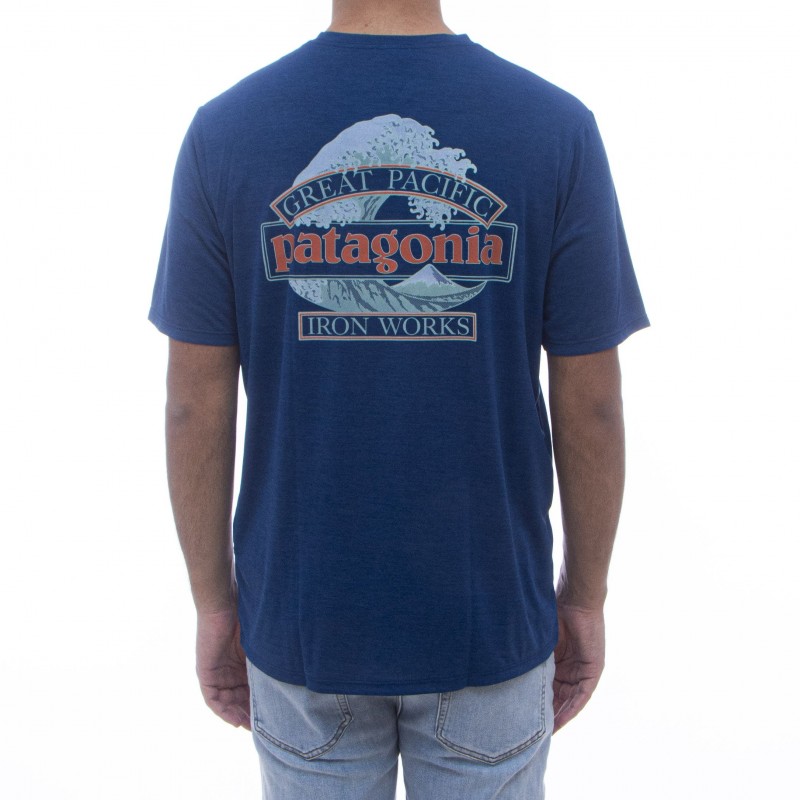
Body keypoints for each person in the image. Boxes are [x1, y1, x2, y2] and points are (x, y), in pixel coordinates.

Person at [149, 1, 649, 797]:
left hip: (304, 622)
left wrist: (215, 603)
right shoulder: (555, 128)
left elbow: (192, 406)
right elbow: (592, 404)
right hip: (489, 616)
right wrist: (584, 596)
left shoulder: (226, 131)